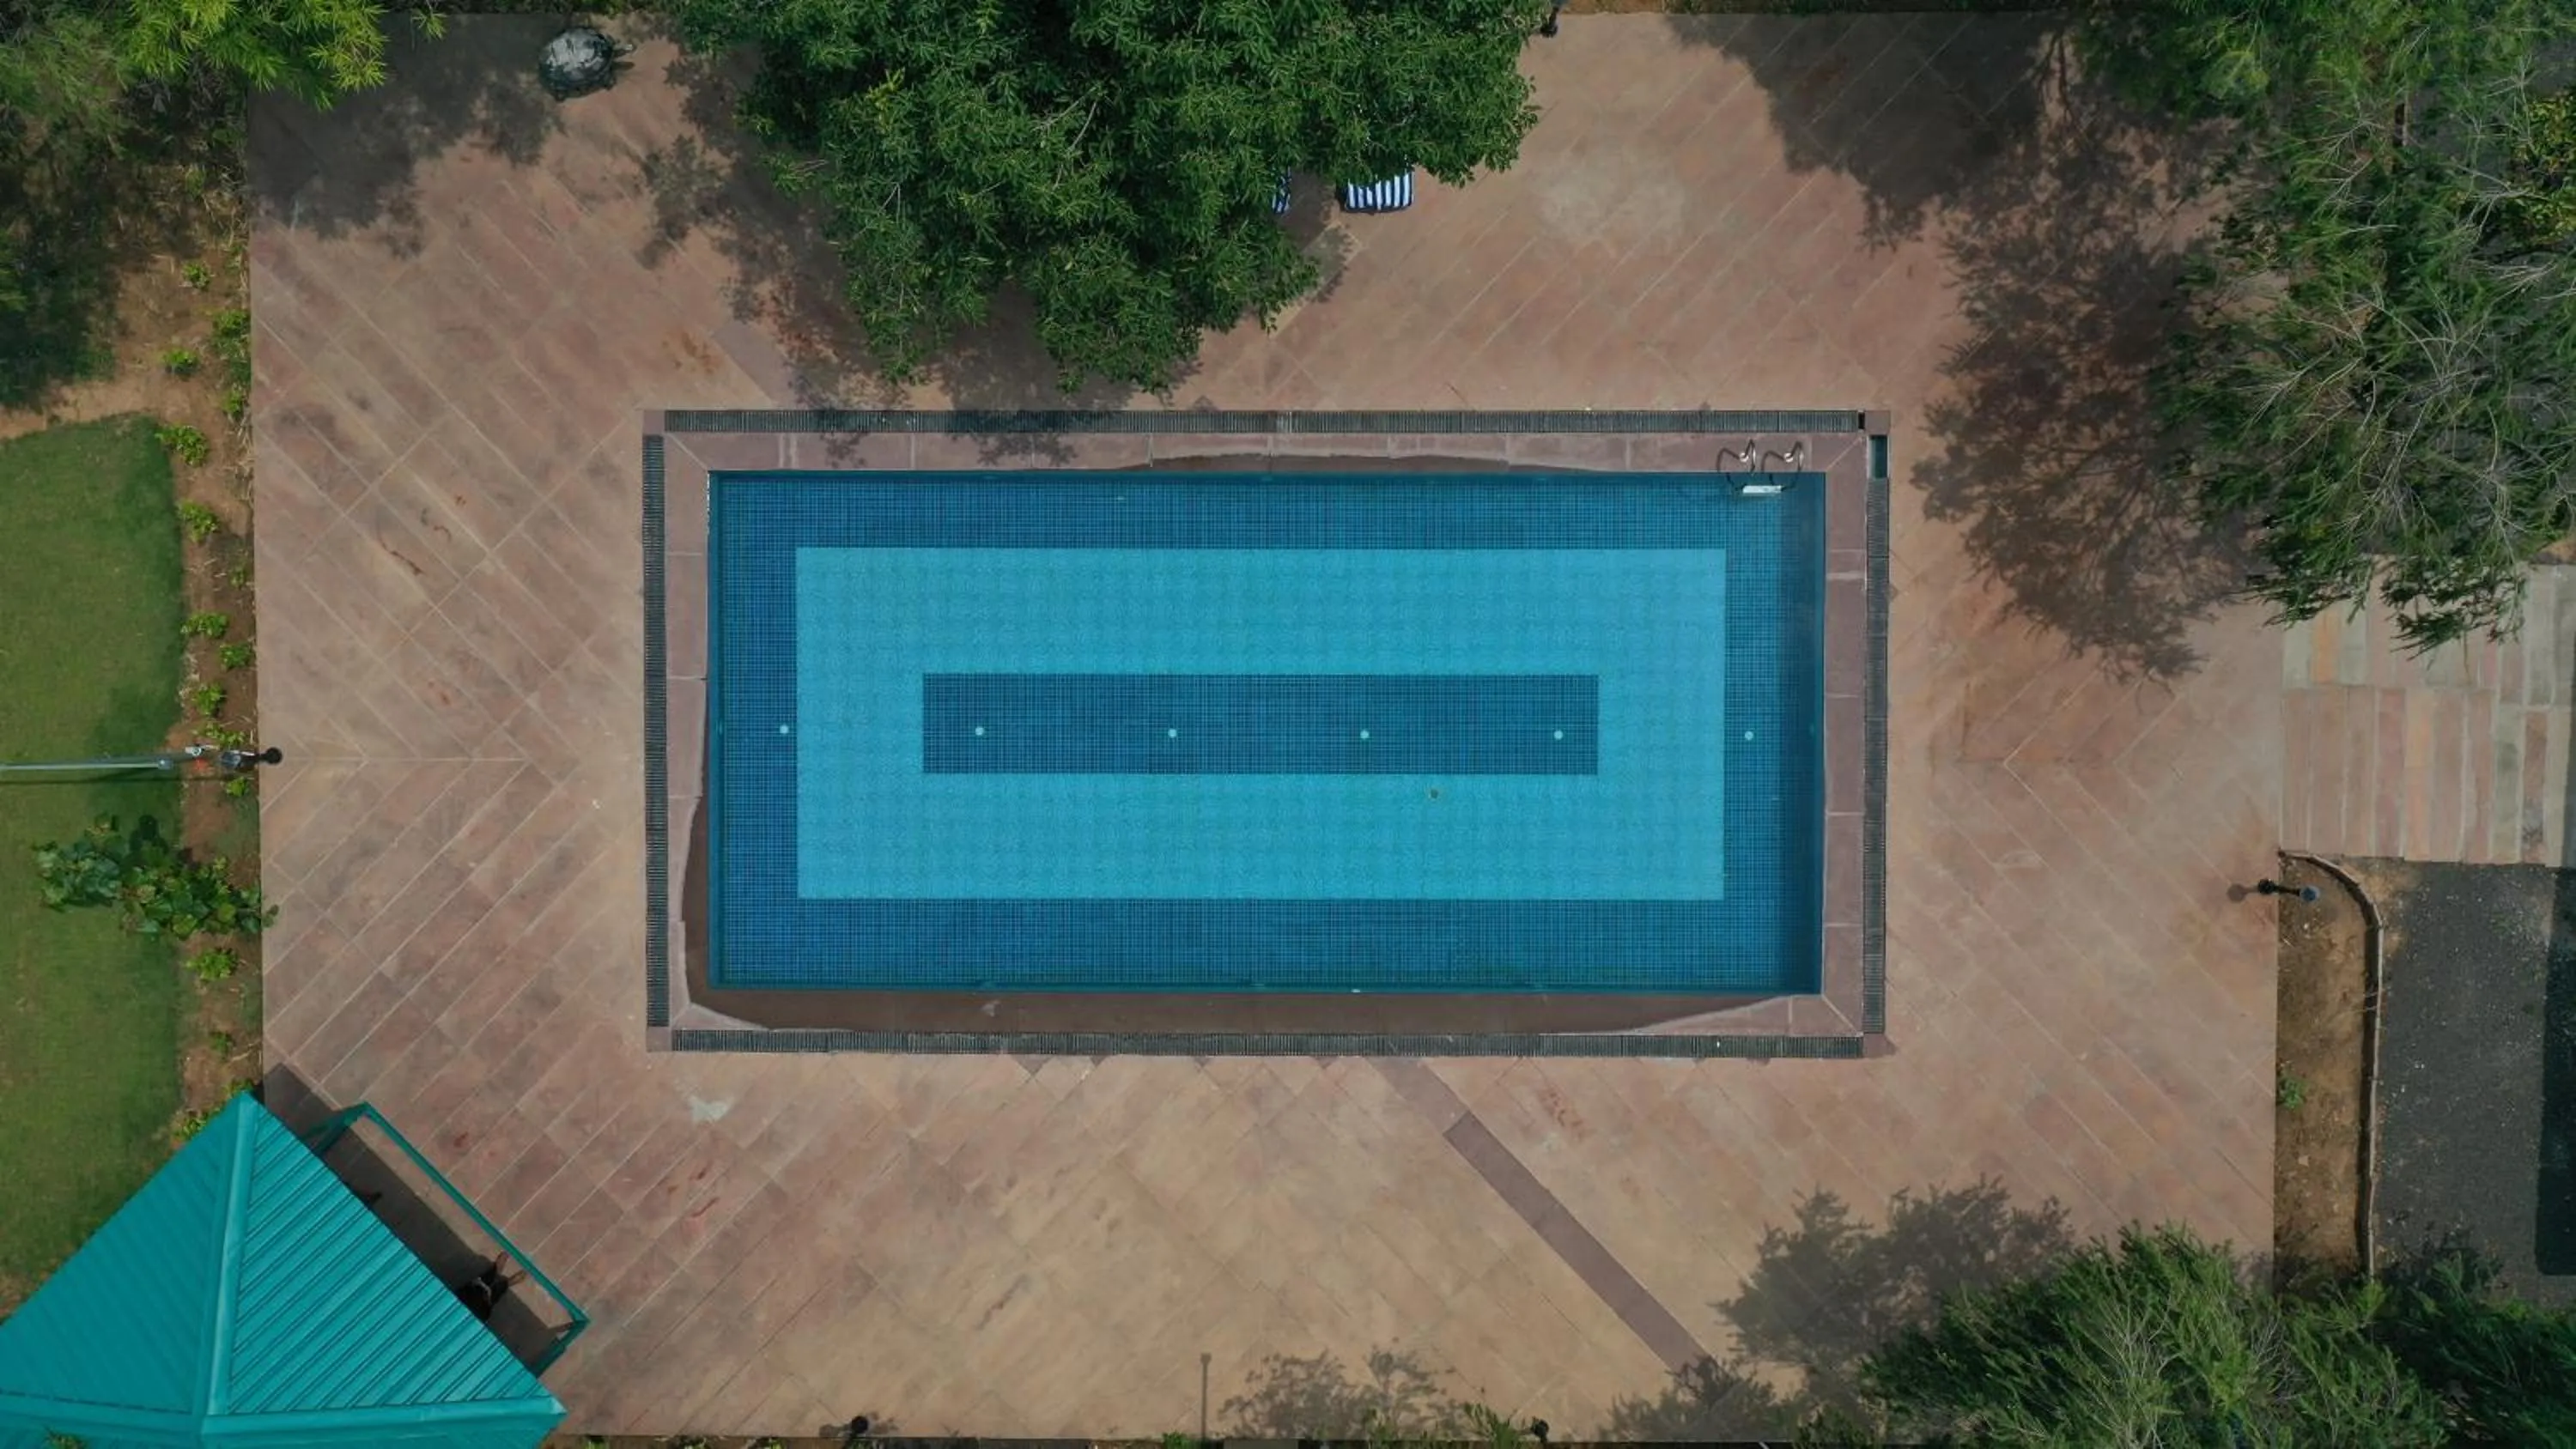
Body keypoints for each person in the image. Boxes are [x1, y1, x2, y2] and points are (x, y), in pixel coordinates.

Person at [453, 1255, 524, 1322]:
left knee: (486, 1281)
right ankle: (506, 1280)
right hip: (479, 1304)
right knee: (494, 1292)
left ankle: (497, 1271)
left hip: (473, 1294)